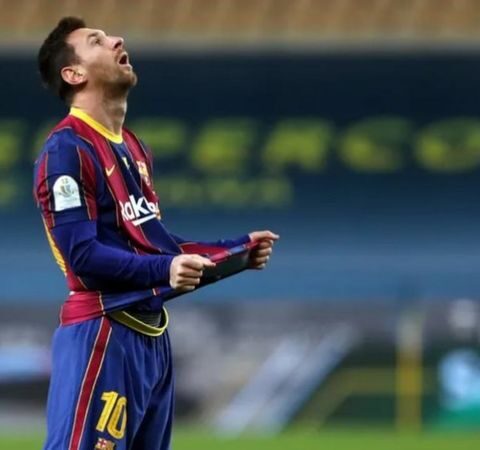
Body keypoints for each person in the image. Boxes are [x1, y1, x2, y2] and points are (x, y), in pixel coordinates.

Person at [34, 17, 279, 450]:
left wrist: (238, 253)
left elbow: (156, 245)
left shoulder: (134, 148)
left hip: (151, 340)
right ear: (74, 74)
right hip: (102, 334)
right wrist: (166, 269)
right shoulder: (66, 149)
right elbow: (84, 259)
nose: (116, 39)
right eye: (96, 41)